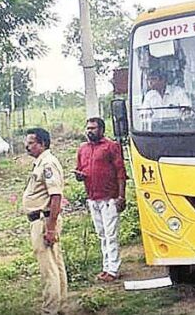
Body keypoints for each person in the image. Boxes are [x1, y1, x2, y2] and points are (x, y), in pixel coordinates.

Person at [73, 118, 127, 282]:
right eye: (88, 128)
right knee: (102, 234)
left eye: (93, 128)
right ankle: (106, 267)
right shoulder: (82, 149)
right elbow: (79, 171)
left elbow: (121, 172)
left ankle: (114, 269)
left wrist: (121, 197)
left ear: (102, 130)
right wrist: (79, 176)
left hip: (109, 198)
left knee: (111, 234)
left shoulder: (111, 146)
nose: (90, 131)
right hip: (92, 198)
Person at [22, 128, 68, 315]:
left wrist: (50, 228)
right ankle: (61, 307)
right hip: (42, 220)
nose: (27, 146)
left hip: (44, 220)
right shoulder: (40, 163)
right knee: (55, 264)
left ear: (42, 144)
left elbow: (55, 196)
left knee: (48, 269)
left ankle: (50, 310)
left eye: (31, 142)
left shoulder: (48, 164)